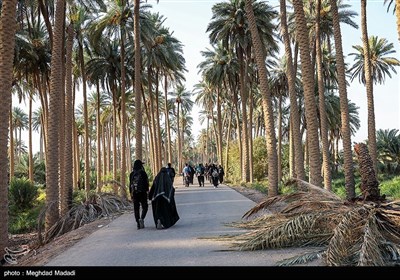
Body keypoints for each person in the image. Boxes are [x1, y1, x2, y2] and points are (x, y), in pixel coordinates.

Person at [129, 159, 149, 230]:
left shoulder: (131, 174)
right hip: (142, 192)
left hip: (135, 193)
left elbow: (130, 185)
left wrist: (131, 194)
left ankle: (138, 223)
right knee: (145, 207)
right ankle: (142, 218)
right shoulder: (143, 173)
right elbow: (146, 183)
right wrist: (147, 191)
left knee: (136, 208)